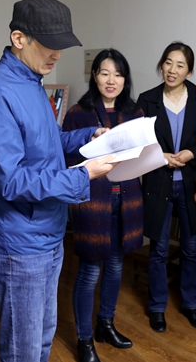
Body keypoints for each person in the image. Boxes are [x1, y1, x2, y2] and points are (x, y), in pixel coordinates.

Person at [0, 0, 116, 362]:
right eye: (50, 45)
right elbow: (12, 181)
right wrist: (83, 175)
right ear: (19, 38)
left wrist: (89, 136)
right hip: (18, 247)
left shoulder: (31, 82)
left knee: (42, 341)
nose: (58, 55)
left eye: (62, 46)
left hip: (47, 235)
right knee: (24, 352)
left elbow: (47, 143)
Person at [62, 49, 144, 362]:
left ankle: (105, 324)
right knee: (88, 272)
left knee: (116, 265)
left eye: (118, 74)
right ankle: (84, 340)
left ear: (125, 79)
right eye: (105, 73)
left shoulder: (134, 113)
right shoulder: (78, 113)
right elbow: (68, 160)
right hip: (92, 200)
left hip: (126, 198)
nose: (112, 80)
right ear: (94, 75)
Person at [137, 41, 196, 333]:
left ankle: (191, 305)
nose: (172, 70)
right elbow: (138, 142)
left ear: (189, 71)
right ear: (162, 65)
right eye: (168, 62)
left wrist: (191, 153)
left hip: (190, 184)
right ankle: (157, 307)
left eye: (180, 65)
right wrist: (161, 157)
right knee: (158, 249)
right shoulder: (147, 99)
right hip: (158, 183)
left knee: (191, 249)